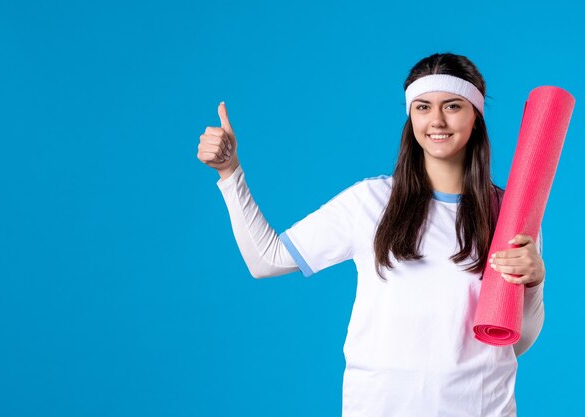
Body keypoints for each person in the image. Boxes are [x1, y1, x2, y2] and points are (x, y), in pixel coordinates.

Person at [197, 52, 546, 417]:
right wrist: (229, 172)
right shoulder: (371, 202)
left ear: (476, 117)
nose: (437, 120)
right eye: (423, 107)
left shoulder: (510, 214)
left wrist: (534, 282)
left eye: (453, 106)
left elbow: (514, 343)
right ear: (410, 116)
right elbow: (265, 260)